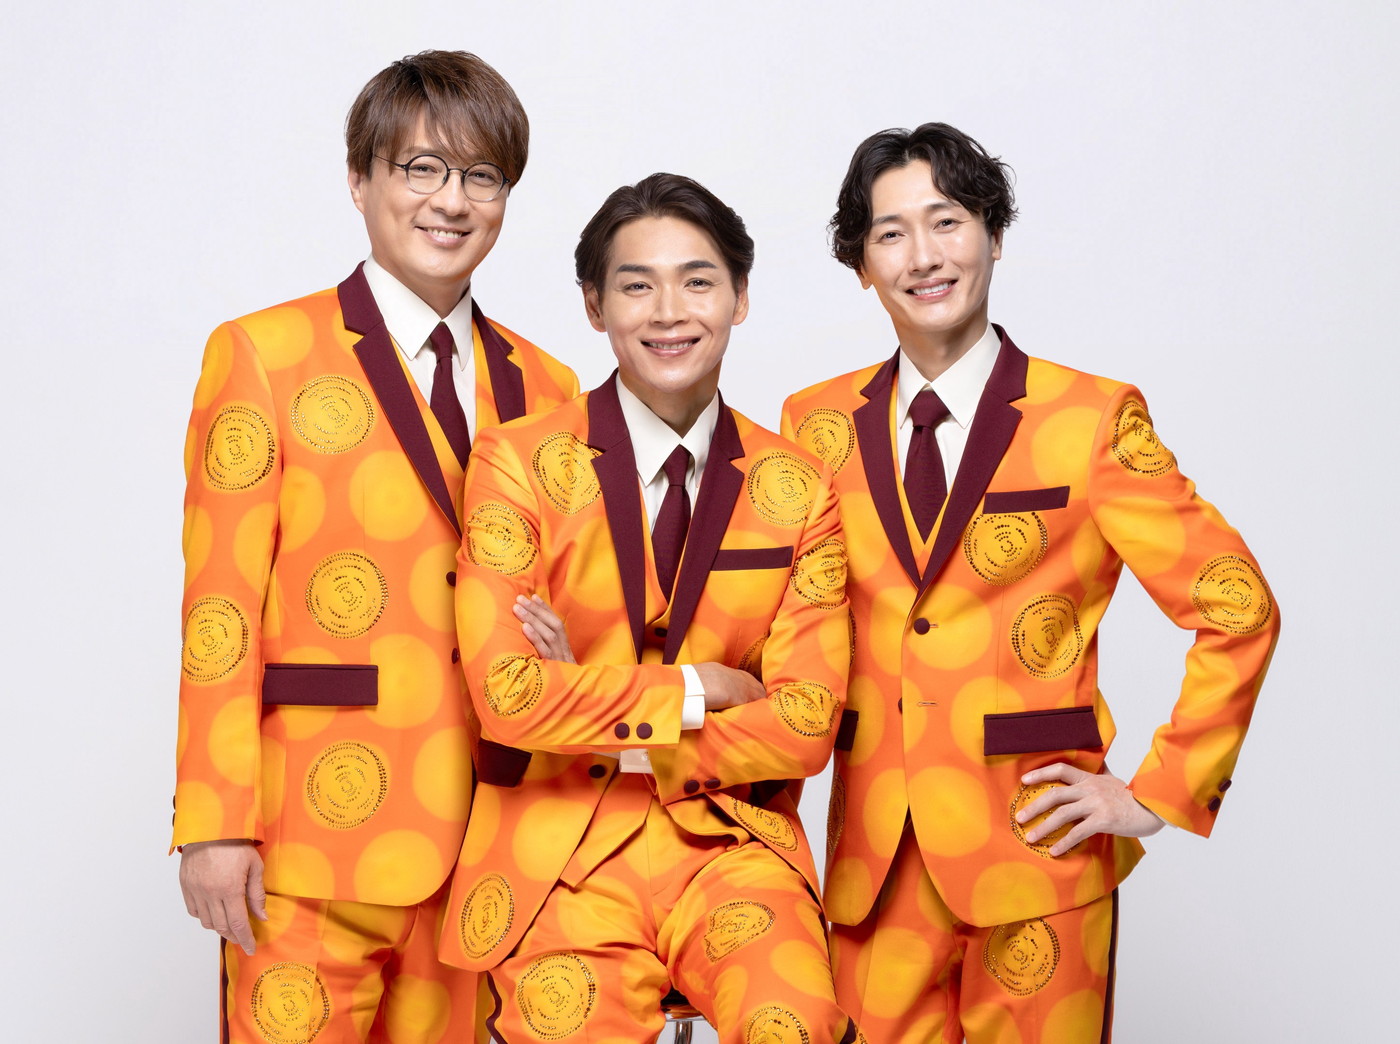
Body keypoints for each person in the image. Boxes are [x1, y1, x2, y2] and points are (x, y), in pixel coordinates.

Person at [780, 123, 1279, 1043]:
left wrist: (1158, 792)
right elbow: (777, 627)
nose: (923, 256)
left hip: (1040, 858)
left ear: (994, 235)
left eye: (948, 222)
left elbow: (1237, 605)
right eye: (891, 233)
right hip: (872, 869)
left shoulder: (1089, 418)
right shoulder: (814, 425)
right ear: (860, 265)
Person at [172, 49, 578, 1042]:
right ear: (360, 181)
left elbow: (568, 603)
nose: (452, 200)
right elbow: (220, 606)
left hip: (490, 841)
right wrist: (213, 822)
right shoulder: (263, 354)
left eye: (481, 176)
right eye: (421, 168)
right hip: (306, 838)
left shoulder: (551, 386)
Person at [437, 173, 859, 1042]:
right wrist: (705, 687)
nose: (670, 311)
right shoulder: (517, 462)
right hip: (560, 859)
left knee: (794, 1026)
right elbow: (508, 697)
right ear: (595, 306)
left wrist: (591, 709)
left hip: (733, 850)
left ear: (740, 298)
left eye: (698, 282)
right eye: (637, 285)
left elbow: (805, 725)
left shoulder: (799, 486)